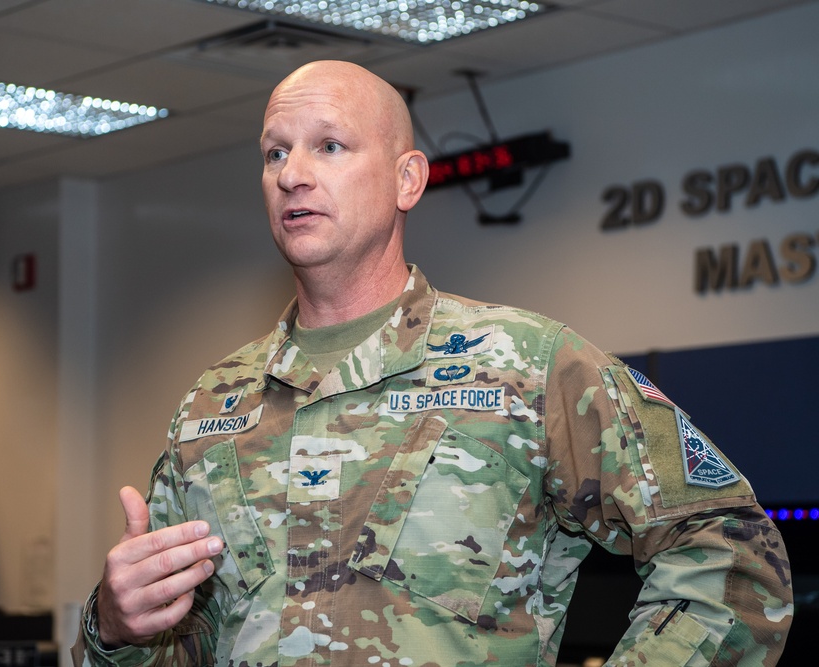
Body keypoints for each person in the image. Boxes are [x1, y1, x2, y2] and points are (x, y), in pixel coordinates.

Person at [73, 60, 792, 666]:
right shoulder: (214, 403)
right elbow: (185, 641)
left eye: (329, 146)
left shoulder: (527, 365)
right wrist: (112, 625)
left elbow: (733, 547)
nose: (293, 174)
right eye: (274, 152)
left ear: (406, 179)